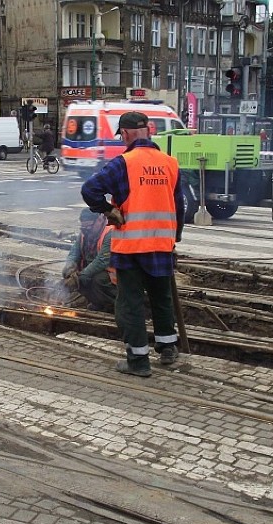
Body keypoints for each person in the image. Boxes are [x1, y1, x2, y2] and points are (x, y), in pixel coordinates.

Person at [81, 111, 184, 377]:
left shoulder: (124, 163)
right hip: (162, 244)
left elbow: (89, 189)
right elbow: (179, 206)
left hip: (131, 248)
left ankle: (138, 361)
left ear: (125, 134)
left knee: (130, 302)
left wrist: (106, 210)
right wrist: (175, 238)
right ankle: (168, 349)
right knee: (162, 297)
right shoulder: (169, 163)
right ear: (148, 132)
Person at [62, 208, 116, 313]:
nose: (86, 231)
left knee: (97, 279)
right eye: (84, 228)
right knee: (79, 277)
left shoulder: (110, 232)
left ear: (99, 220)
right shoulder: (85, 232)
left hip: (114, 278)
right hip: (93, 270)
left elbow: (101, 261)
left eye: (89, 227)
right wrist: (69, 267)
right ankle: (97, 303)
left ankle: (113, 305)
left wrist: (81, 276)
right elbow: (74, 252)